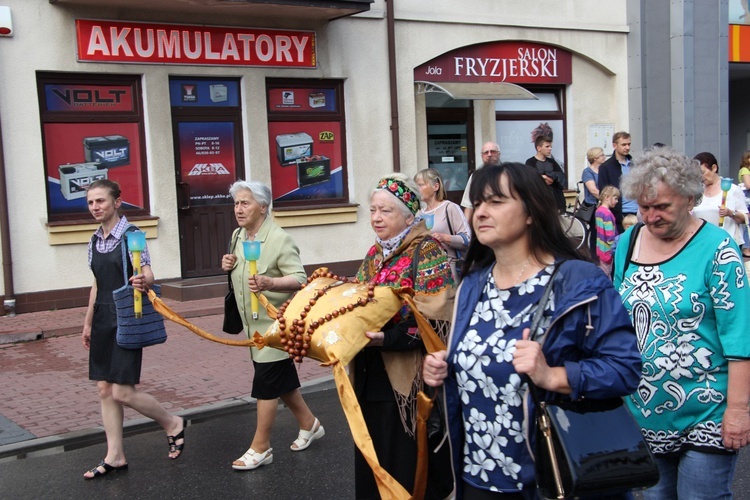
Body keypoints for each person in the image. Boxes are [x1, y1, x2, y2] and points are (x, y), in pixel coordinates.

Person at [423, 163, 642, 499]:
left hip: (550, 477)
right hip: (476, 476)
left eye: (496, 202)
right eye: (477, 203)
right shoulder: (473, 283)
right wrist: (445, 367)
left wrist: (552, 376)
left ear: (530, 212)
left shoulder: (579, 281)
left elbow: (624, 368)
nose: (480, 212)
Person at [613, 148, 750, 500]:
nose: (651, 217)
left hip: (707, 410)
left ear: (690, 199)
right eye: (644, 207)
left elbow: (740, 336)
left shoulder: (718, 248)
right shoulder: (627, 243)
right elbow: (616, 318)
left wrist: (737, 410)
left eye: (662, 207)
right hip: (643, 413)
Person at [354, 173, 455, 499]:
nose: (376, 218)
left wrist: (388, 338)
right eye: (373, 210)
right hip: (370, 372)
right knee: (373, 457)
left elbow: (436, 319)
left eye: (386, 211)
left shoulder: (426, 251)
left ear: (409, 216)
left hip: (406, 377)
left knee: (402, 461)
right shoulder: (374, 253)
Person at [81, 179, 186, 479]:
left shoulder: (131, 235)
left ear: (117, 202)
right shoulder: (94, 241)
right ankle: (115, 456)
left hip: (127, 317)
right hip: (102, 318)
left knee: (123, 392)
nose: (95, 207)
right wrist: (88, 322)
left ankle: (172, 422)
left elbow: (147, 272)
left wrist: (144, 280)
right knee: (104, 389)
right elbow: (96, 283)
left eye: (100, 201)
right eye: (90, 203)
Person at [221, 180, 324, 471]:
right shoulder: (237, 236)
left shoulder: (279, 239)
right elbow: (239, 276)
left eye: (245, 203)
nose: (238, 209)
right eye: (236, 203)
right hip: (253, 327)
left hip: (276, 328)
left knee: (265, 384)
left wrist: (271, 282)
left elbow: (301, 279)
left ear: (263, 207)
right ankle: (309, 423)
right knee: (280, 381)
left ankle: (261, 446)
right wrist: (229, 264)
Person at [414, 168, 471, 281]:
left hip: (449, 271)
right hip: (425, 273)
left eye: (421, 185)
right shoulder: (419, 214)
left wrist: (443, 237)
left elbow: (467, 238)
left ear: (436, 186)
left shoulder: (449, 207)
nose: (417, 189)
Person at [692, 152, 748, 248]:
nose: (700, 177)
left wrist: (731, 213)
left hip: (727, 244)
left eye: (703, 172)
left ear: (714, 168)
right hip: (703, 243)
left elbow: (745, 218)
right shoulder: (697, 192)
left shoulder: (732, 190)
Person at [598, 131, 635, 232]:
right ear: (615, 145)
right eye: (623, 144)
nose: (627, 147)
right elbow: (604, 192)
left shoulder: (635, 164)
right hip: (619, 214)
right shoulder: (606, 167)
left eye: (629, 144)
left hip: (637, 212)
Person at [525, 135, 566, 213]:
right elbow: (530, 180)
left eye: (550, 146)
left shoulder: (552, 162)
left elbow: (562, 179)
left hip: (555, 199)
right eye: (547, 146)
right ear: (539, 148)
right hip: (539, 200)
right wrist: (541, 178)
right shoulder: (530, 162)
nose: (550, 149)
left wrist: (546, 176)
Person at [461, 141, 501, 220]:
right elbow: (468, 205)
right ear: (482, 156)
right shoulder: (475, 176)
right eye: (486, 152)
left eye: (493, 151)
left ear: (499, 154)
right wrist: (466, 230)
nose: (489, 154)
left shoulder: (507, 174)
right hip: (482, 221)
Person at [582, 147, 605, 258]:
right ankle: (594, 257)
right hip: (594, 206)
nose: (604, 157)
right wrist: (606, 198)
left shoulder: (604, 170)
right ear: (595, 158)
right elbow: (593, 190)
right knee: (595, 232)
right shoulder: (588, 172)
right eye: (602, 155)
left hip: (605, 205)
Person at [595, 185, 620, 277]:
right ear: (607, 197)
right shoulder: (607, 214)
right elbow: (610, 234)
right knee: (607, 275)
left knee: (603, 272)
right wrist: (614, 246)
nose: (617, 201)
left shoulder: (599, 211)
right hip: (607, 250)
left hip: (600, 248)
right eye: (615, 198)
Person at [738, 150, 750, 257]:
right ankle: (747, 247)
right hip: (747, 197)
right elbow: (748, 184)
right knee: (747, 222)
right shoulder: (745, 170)